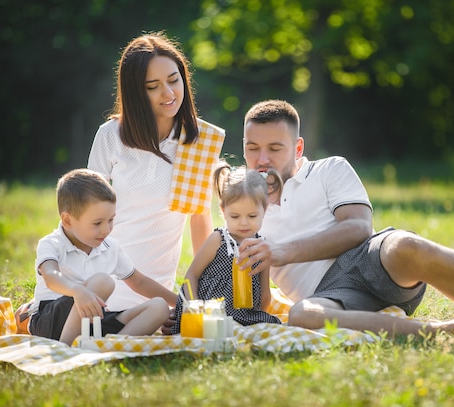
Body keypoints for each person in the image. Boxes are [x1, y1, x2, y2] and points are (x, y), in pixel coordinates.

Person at [235, 99, 454, 348]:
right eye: (252, 148)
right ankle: (444, 329)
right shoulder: (243, 208)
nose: (262, 159)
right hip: (329, 298)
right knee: (301, 315)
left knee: (406, 244)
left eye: (274, 148)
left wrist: (282, 251)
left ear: (297, 149)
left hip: (369, 260)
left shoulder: (329, 169)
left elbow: (358, 228)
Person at [87, 31, 224, 311]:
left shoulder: (197, 139)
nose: (169, 93)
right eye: (153, 86)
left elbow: (200, 219)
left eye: (174, 80)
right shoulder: (111, 135)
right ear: (136, 92)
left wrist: (204, 289)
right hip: (101, 279)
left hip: (156, 291)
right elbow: (84, 212)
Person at [28, 168, 177, 346]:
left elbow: (140, 283)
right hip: (52, 320)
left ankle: (112, 347)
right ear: (68, 221)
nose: (106, 229)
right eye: (97, 223)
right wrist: (78, 291)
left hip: (92, 321)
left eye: (111, 220)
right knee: (103, 282)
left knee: (159, 307)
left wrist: (182, 303)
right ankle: (65, 348)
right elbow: (51, 276)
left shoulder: (110, 247)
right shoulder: (52, 243)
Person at [169, 163, 283, 334]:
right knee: (217, 330)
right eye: (235, 216)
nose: (244, 222)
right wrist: (194, 309)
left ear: (264, 210)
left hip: (244, 313)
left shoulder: (261, 246)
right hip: (210, 311)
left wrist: (258, 315)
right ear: (223, 210)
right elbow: (191, 275)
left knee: (274, 327)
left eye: (252, 216)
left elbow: (264, 292)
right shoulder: (218, 239)